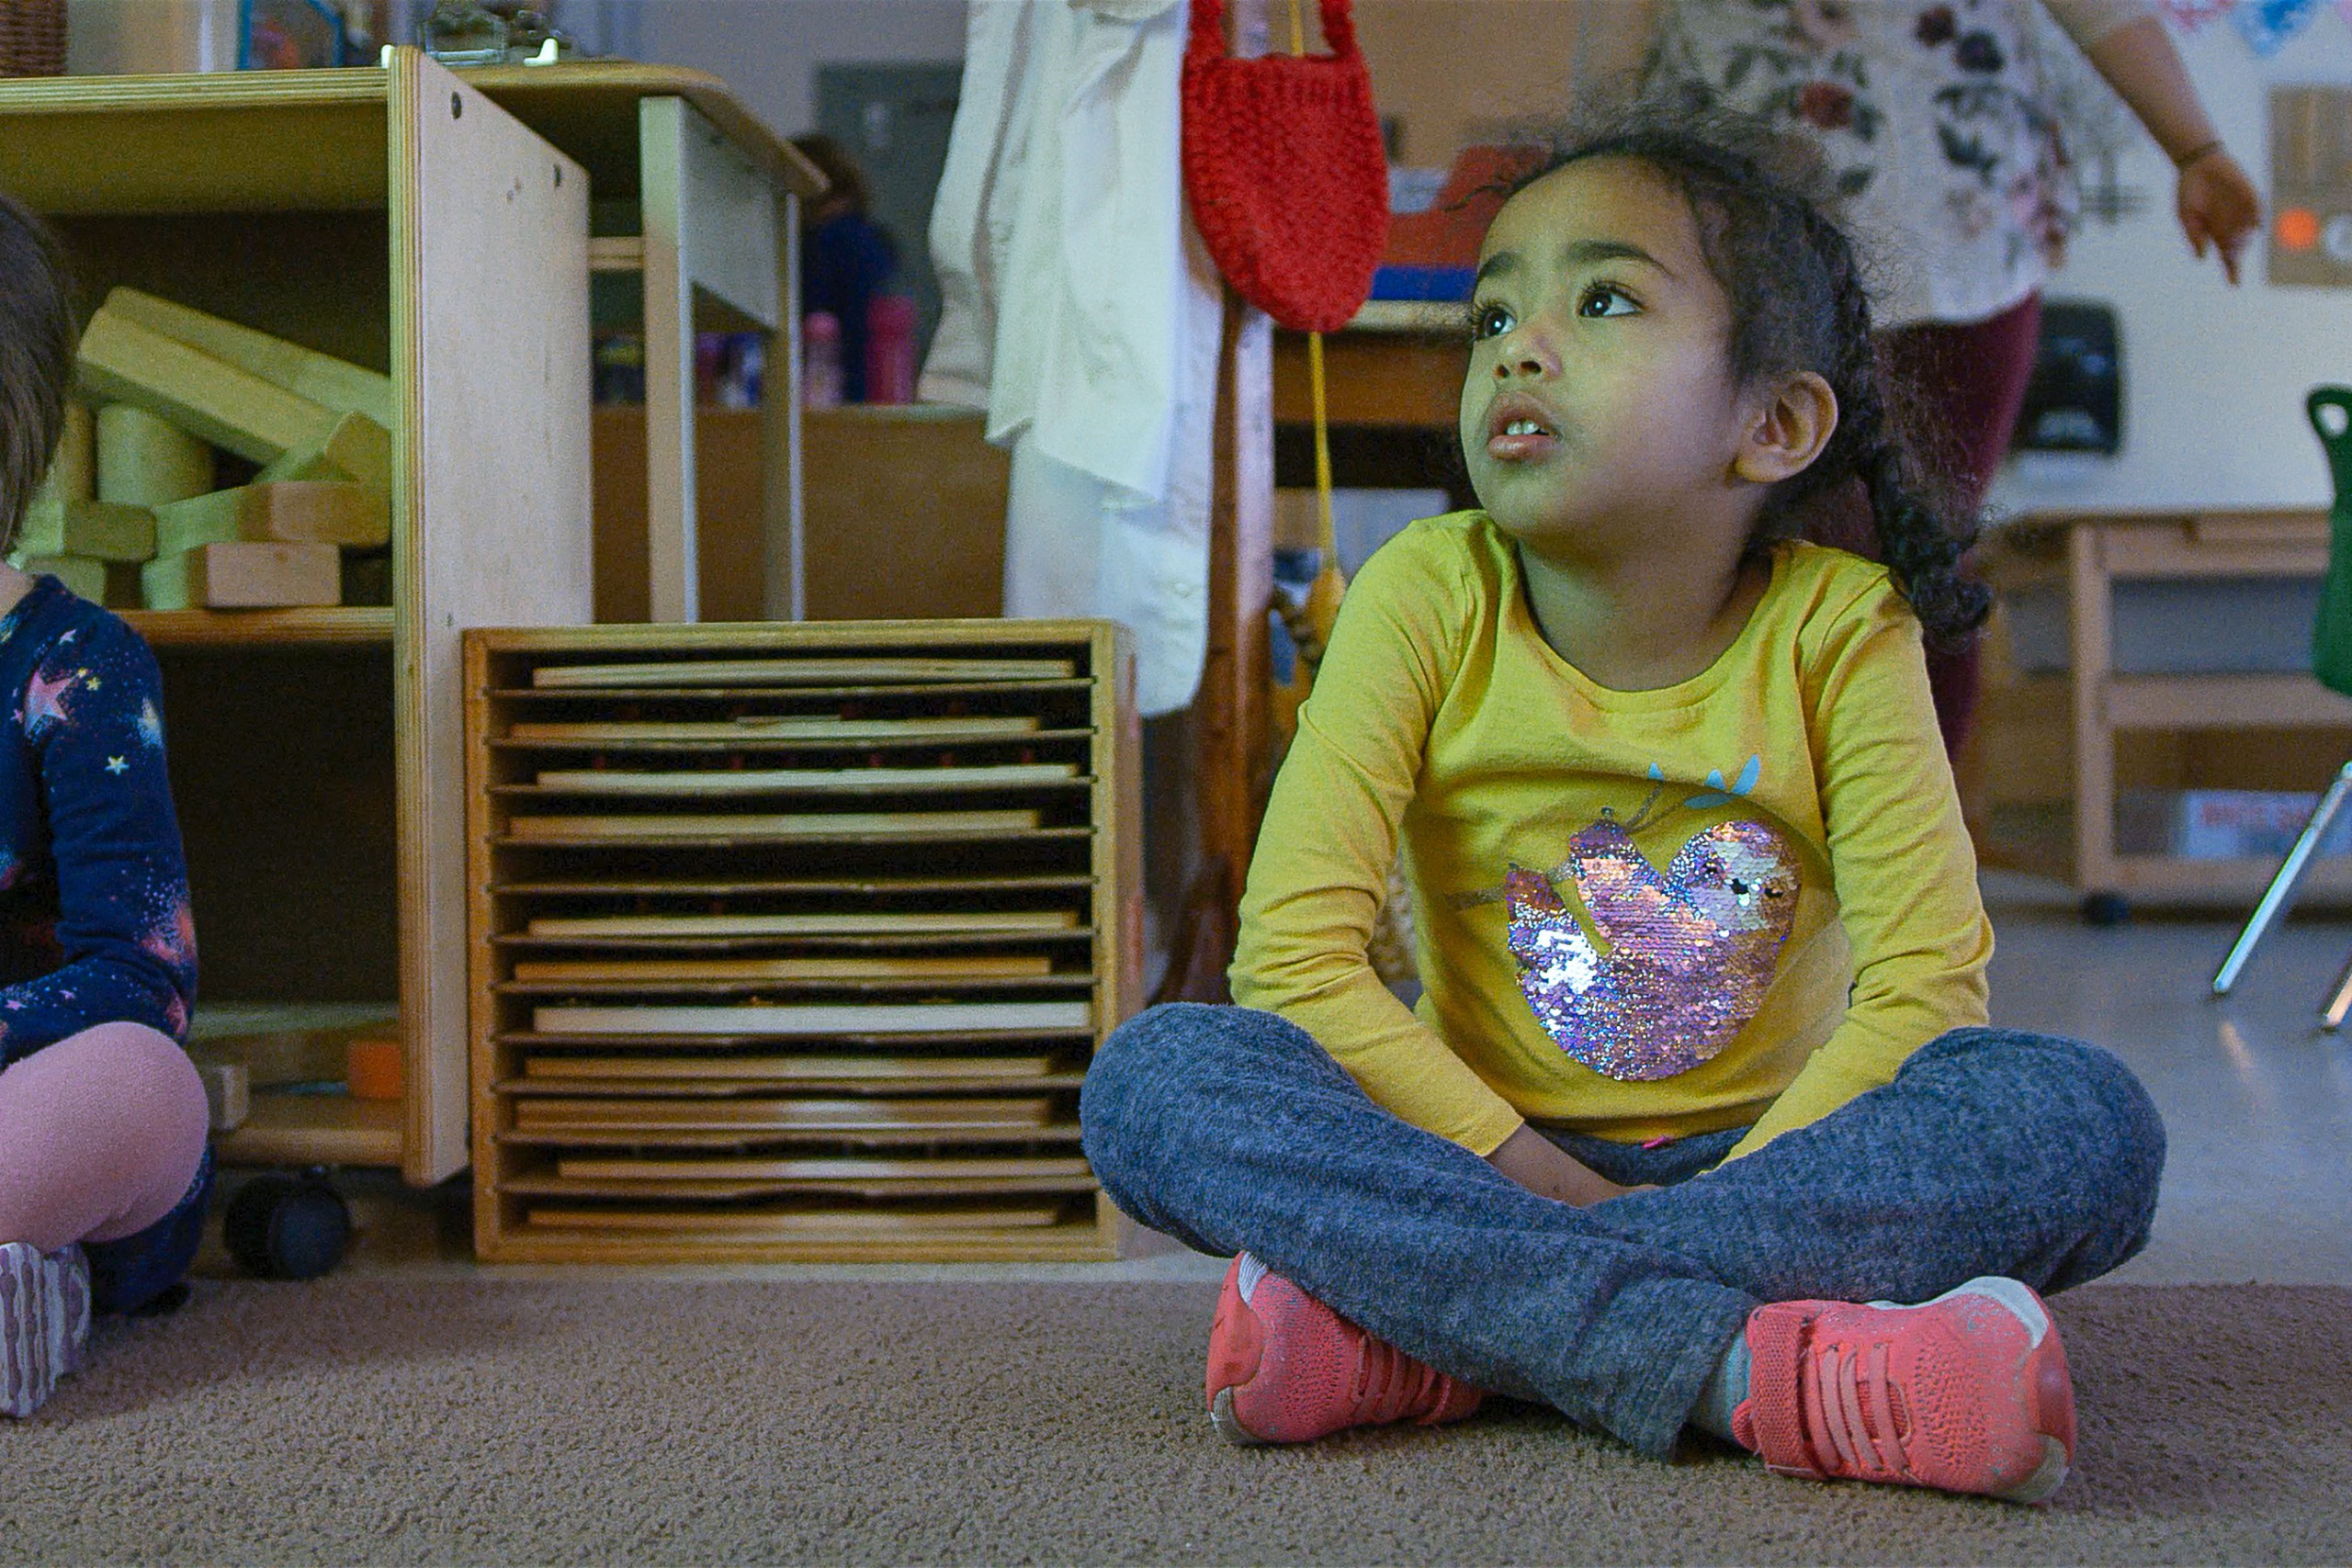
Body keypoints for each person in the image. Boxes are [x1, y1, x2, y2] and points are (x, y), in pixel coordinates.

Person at [1078, 107, 2165, 1504]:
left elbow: (1924, 991)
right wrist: (1544, 1182)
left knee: (2084, 1116)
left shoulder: (1845, 627)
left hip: (1784, 1162)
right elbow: (1292, 964)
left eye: (1601, 299)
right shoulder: (1421, 590)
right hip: (1470, 1146)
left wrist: (1696, 1208)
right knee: (1154, 1078)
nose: (1517, 346)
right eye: (1490, 316)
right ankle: (1749, 1366)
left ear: (1771, 423)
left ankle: (1439, 1338)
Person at [1644, 0, 2262, 753]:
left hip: (1965, 232)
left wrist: (2196, 150)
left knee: (1926, 557)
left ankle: (1913, 849)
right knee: (1777, 559)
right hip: (1757, 234)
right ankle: (1777, 841)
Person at [0, 191, 209, 1418]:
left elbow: (141, 975)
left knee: (141, 1079)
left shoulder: (76, 663)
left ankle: (41, 1263)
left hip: (37, 1101)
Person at [789, 133, 900, 405]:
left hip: (837, 387)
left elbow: (822, 318)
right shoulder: (873, 237)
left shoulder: (828, 240)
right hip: (879, 385)